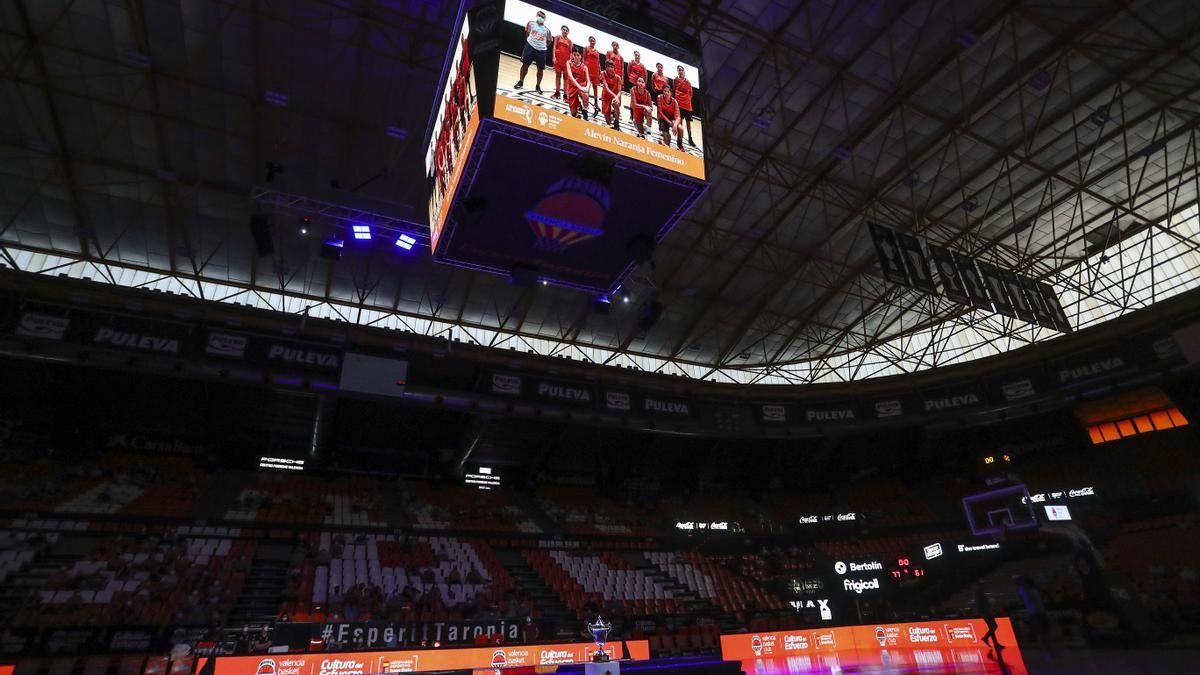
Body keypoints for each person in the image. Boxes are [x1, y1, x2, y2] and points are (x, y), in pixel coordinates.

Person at [515, 10, 550, 94]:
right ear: (536, 15)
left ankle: (538, 86)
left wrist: (540, 45)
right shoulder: (530, 24)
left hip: (541, 50)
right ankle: (520, 82)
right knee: (525, 65)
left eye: (542, 17)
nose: (540, 18)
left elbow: (549, 41)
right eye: (539, 15)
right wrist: (531, 41)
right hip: (529, 46)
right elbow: (527, 33)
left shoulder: (547, 30)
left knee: (540, 69)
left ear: (545, 19)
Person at [1014, 575, 1050, 647]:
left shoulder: (1031, 589)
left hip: (1039, 611)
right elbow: (1028, 600)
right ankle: (1047, 650)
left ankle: (1048, 649)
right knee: (1041, 632)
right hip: (1035, 612)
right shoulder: (1024, 589)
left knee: (1044, 632)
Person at [974, 583, 1005, 659]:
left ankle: (994, 642)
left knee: (992, 627)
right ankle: (986, 638)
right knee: (993, 626)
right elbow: (986, 605)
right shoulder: (980, 596)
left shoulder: (979, 596)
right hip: (986, 613)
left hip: (985, 613)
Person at [673, 65, 696, 147]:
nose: (680, 71)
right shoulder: (675, 80)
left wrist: (686, 100)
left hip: (688, 106)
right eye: (679, 70)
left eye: (681, 70)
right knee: (680, 123)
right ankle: (680, 140)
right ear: (677, 71)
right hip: (679, 105)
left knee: (688, 123)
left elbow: (691, 94)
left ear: (684, 71)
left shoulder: (688, 83)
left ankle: (690, 139)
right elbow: (674, 89)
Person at [564, 50, 590, 120]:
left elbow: (588, 81)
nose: (576, 57)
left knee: (585, 94)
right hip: (572, 86)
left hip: (581, 85)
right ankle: (578, 105)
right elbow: (570, 76)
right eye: (574, 55)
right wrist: (579, 87)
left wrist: (587, 88)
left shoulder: (584, 67)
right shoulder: (568, 63)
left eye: (578, 55)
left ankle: (585, 110)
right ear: (572, 55)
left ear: (581, 57)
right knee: (573, 113)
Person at [656, 83, 683, 149]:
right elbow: (660, 112)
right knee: (667, 142)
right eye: (664, 91)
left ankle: (679, 144)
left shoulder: (674, 102)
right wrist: (670, 123)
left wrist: (674, 125)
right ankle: (662, 130)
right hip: (664, 119)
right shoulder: (659, 97)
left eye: (668, 92)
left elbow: (678, 117)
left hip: (672, 120)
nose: (666, 93)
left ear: (671, 93)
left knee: (680, 128)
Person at [551, 25, 573, 99]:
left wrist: (570, 63)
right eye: (564, 29)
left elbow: (571, 53)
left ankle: (565, 94)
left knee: (565, 78)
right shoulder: (557, 37)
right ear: (561, 30)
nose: (565, 31)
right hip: (558, 60)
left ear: (568, 32)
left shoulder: (569, 41)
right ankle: (557, 93)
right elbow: (554, 47)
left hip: (566, 62)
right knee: (558, 76)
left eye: (566, 30)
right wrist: (554, 57)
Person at [583, 37, 602, 113]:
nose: (592, 42)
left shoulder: (597, 52)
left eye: (594, 41)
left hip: (595, 72)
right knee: (587, 87)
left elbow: (598, 63)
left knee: (595, 89)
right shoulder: (586, 48)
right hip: (588, 71)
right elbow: (584, 59)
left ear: (595, 42)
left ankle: (596, 103)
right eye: (591, 41)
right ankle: (585, 102)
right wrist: (583, 69)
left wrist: (600, 72)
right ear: (589, 41)